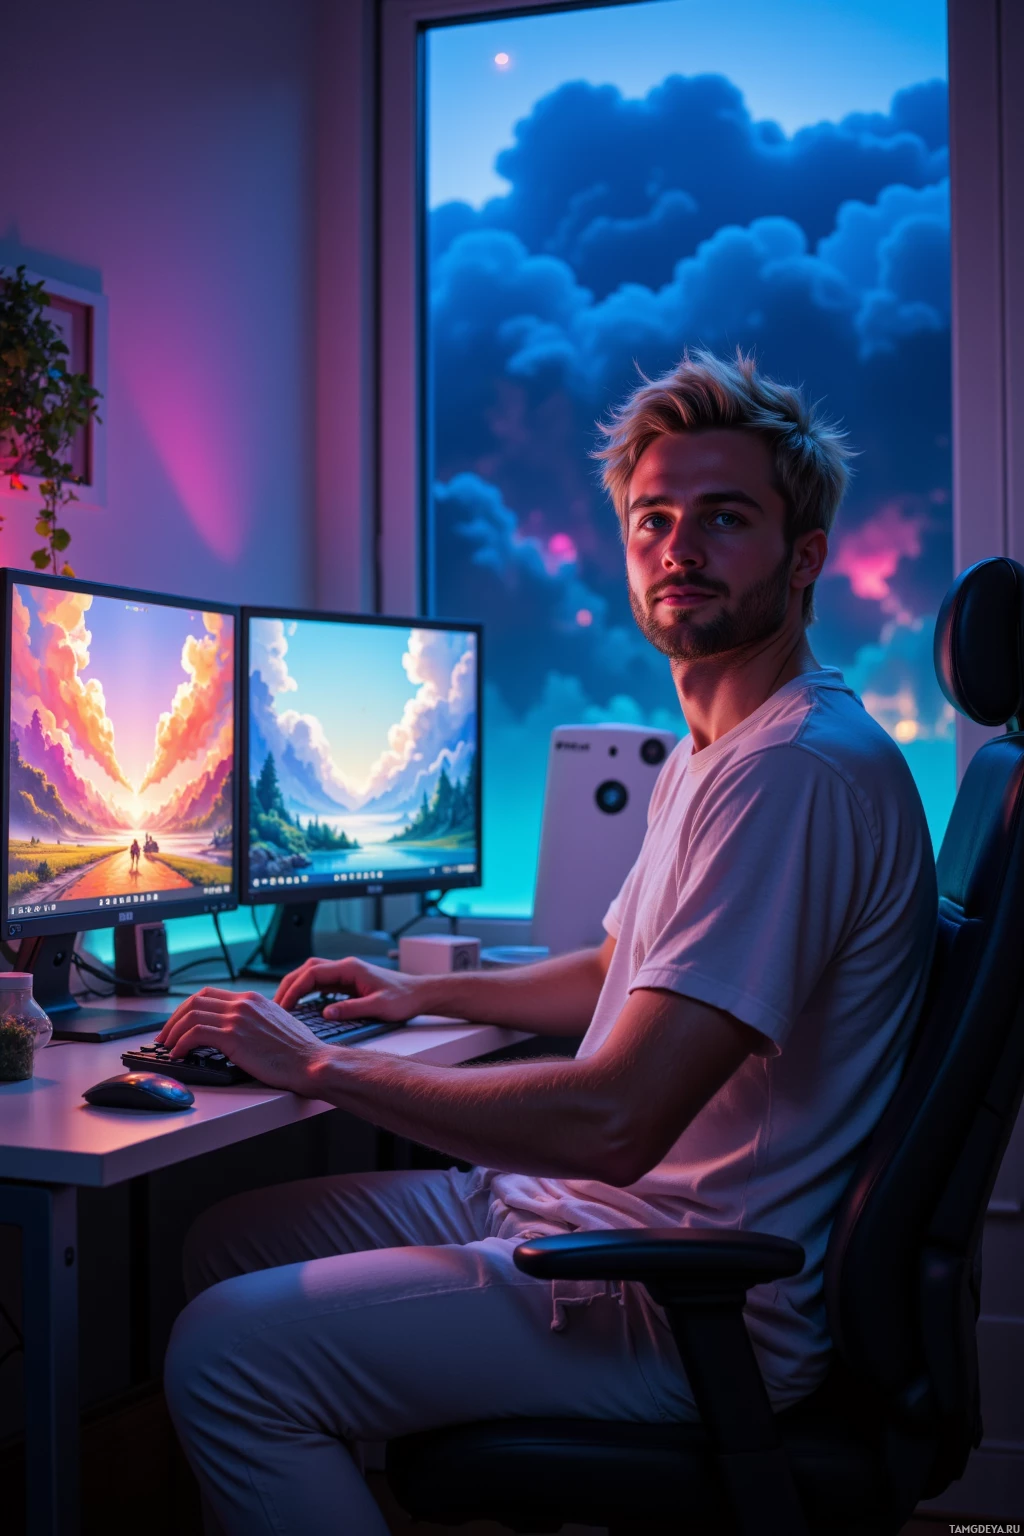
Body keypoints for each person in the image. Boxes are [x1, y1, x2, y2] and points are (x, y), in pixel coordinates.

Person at [160, 351, 937, 1536]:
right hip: (587, 1220)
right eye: (653, 520)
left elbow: (617, 1121)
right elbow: (619, 974)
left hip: (677, 1296)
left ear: (805, 555)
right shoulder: (716, 747)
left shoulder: (791, 776)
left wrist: (311, 1062)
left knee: (225, 1356)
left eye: (724, 519)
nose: (680, 548)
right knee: (222, 1241)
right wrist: (425, 996)